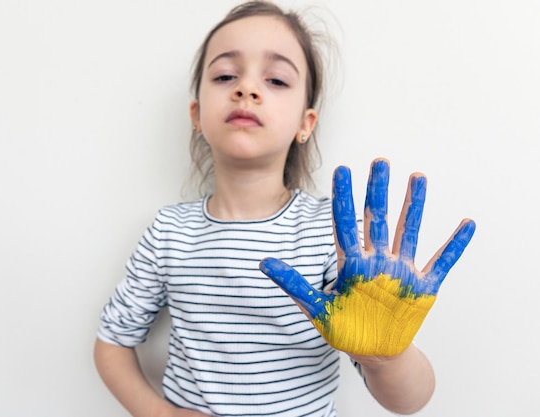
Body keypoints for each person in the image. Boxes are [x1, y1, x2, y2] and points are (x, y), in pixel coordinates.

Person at [93, 1, 475, 416]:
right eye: (225, 75)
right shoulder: (169, 231)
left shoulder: (332, 237)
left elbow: (411, 402)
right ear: (197, 114)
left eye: (276, 79)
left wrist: (386, 357)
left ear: (305, 123)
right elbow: (112, 341)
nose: (247, 89)